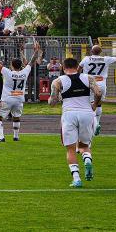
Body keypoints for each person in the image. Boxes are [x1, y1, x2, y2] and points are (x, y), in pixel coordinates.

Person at [48, 58, 102, 188]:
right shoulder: (88, 78)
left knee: (71, 149)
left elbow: (52, 103)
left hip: (69, 114)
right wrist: (94, 105)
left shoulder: (58, 81)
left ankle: (76, 179)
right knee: (83, 146)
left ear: (63, 67)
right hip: (86, 113)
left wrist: (55, 98)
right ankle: (87, 159)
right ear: (78, 66)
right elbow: (98, 93)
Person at [0, 41, 41, 142]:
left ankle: (1, 137)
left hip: (7, 99)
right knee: (16, 117)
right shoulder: (25, 72)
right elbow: (31, 62)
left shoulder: (8, 72)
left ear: (12, 65)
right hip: (19, 99)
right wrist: (36, 51)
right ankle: (16, 136)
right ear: (21, 66)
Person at [78, 45, 116, 136]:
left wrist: (79, 79)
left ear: (91, 51)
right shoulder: (106, 59)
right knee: (98, 104)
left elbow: (79, 68)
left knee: (90, 104)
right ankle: (97, 124)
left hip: (89, 83)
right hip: (101, 83)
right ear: (100, 52)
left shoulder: (86, 59)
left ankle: (93, 125)